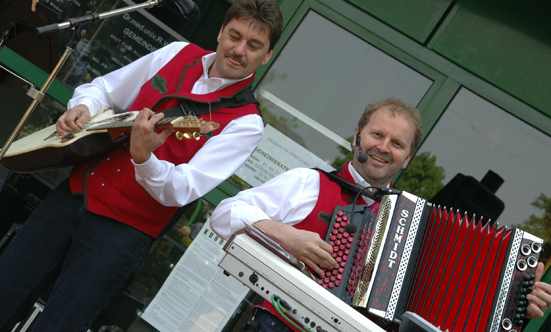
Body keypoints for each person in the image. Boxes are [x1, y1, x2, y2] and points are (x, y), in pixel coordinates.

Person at [0, 1, 283, 331]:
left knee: (60, 325)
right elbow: (104, 89)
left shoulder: (246, 122)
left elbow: (183, 188)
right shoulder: (177, 53)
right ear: (220, 32)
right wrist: (85, 107)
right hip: (77, 192)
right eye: (234, 36)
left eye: (254, 45)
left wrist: (145, 158)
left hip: (122, 233)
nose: (239, 50)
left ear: (267, 55)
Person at [210, 98, 551, 332]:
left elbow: (459, 296)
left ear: (406, 159)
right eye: (377, 134)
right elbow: (226, 213)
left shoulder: (419, 223)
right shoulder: (308, 183)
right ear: (358, 137)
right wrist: (284, 234)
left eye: (397, 144)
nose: (384, 147)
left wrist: (517, 304)